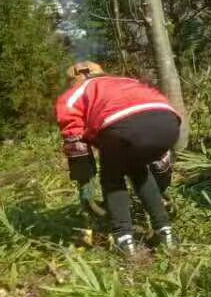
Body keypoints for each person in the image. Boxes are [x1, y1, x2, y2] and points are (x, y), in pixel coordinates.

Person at [56, 62, 181, 258]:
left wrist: (84, 178)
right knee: (138, 170)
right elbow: (151, 106)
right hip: (169, 120)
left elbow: (73, 136)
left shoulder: (75, 92)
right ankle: (166, 233)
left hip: (121, 126)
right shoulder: (126, 81)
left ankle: (124, 239)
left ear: (73, 80)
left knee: (112, 177)